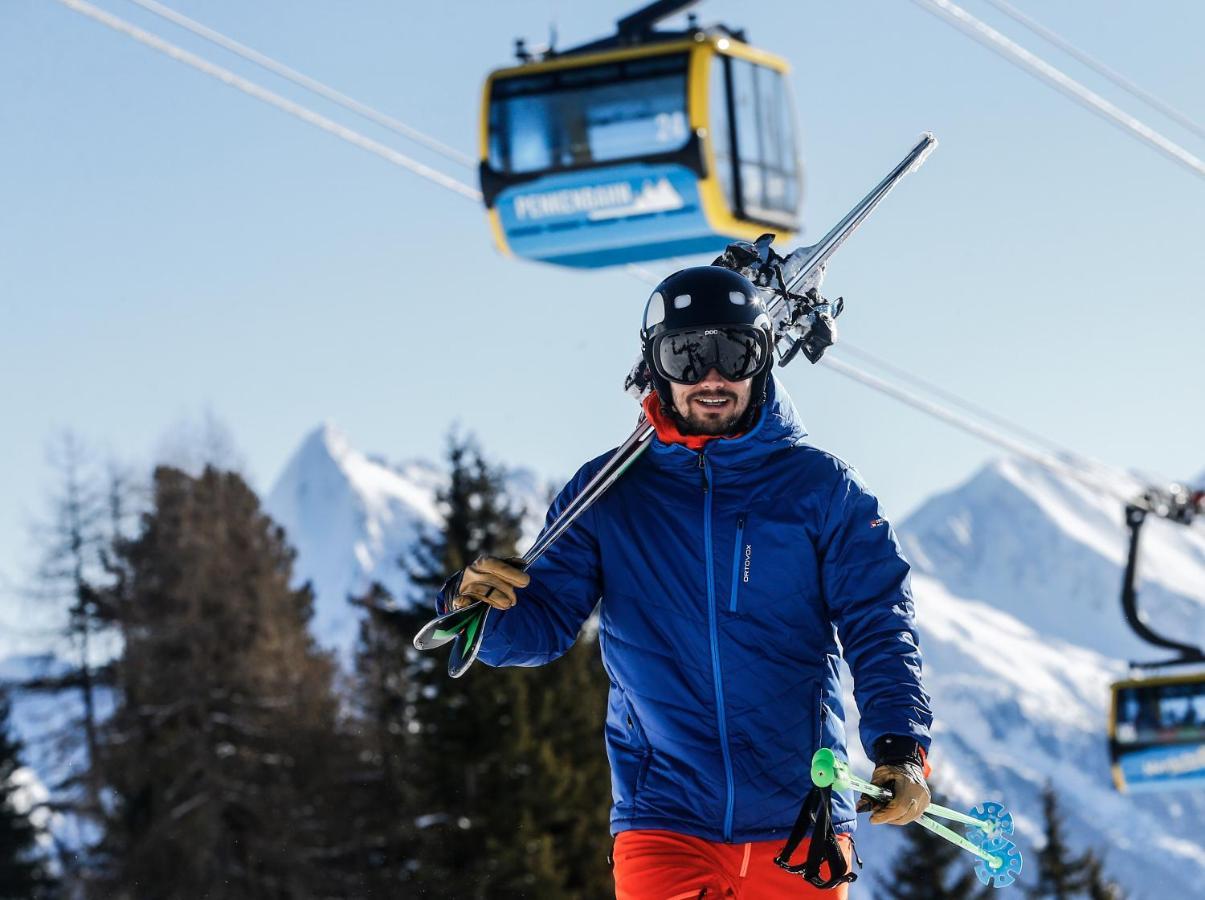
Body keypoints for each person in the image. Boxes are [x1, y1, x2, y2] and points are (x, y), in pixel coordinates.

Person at [436, 266, 933, 898]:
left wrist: (901, 747)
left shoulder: (821, 490)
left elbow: (880, 625)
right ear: (655, 366)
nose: (712, 377)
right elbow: (543, 625)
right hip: (664, 815)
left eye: (734, 351)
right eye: (686, 355)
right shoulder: (606, 494)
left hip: (798, 817)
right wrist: (478, 610)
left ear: (763, 360)